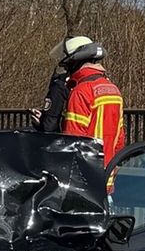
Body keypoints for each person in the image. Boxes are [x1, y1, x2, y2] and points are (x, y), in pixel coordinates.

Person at [34, 36, 125, 167]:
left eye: (68, 64)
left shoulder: (81, 91)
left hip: (86, 175)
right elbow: (119, 138)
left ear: (75, 62)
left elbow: (73, 140)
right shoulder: (113, 89)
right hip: (108, 172)